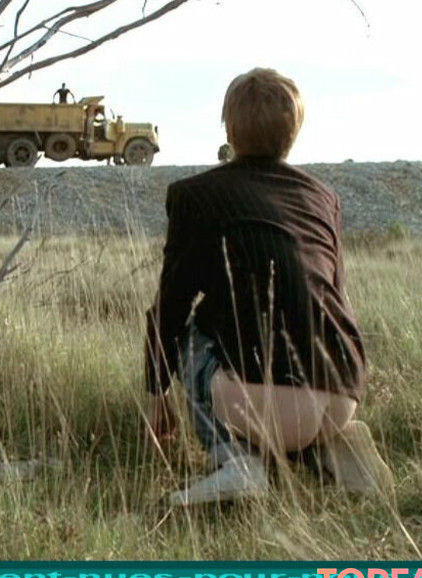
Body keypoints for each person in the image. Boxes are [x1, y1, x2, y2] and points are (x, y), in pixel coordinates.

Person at [144, 68, 393, 505]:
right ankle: (333, 446)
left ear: (229, 129)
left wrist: (155, 392)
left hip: (263, 401)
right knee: (285, 378)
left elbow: (171, 305)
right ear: (294, 132)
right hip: (341, 392)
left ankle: (237, 463)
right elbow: (337, 293)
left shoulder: (194, 195)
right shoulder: (322, 197)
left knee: (194, 332)